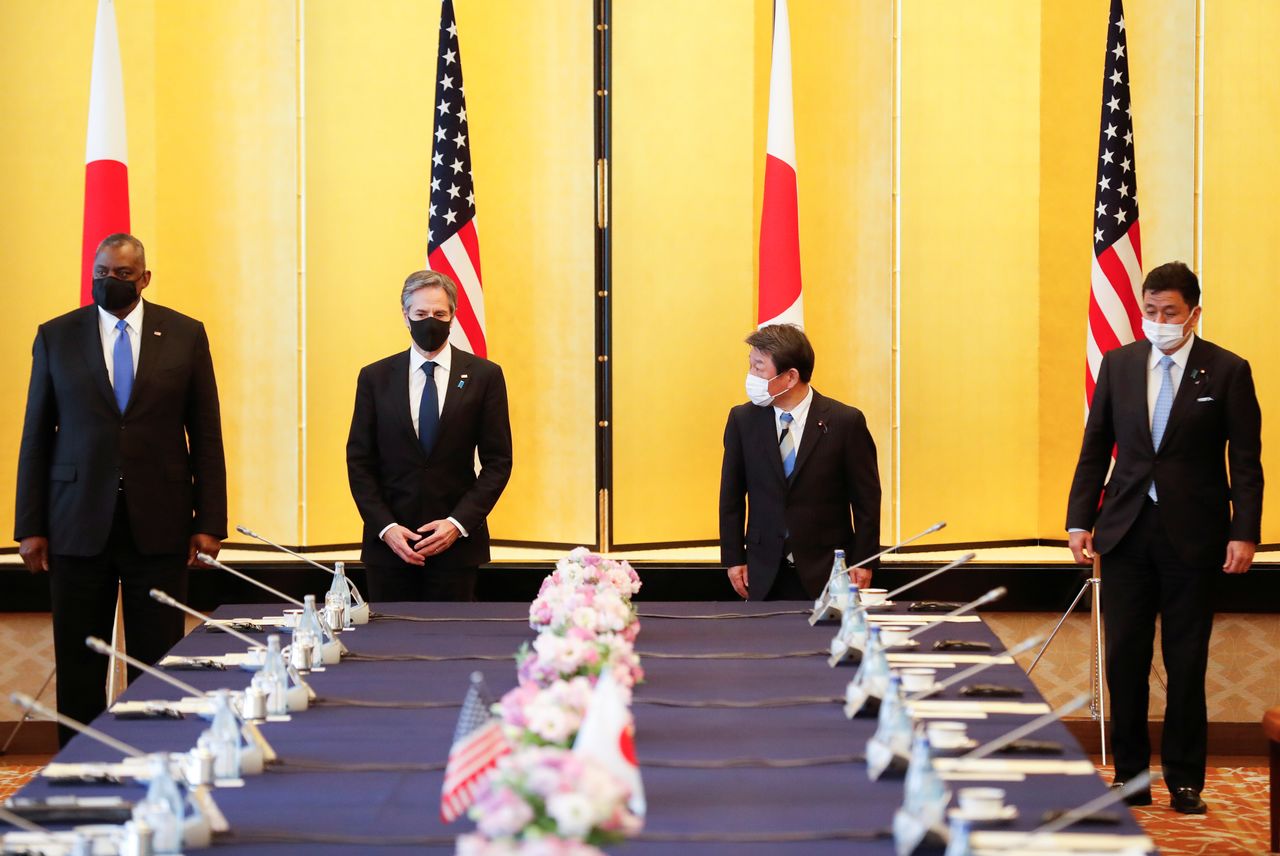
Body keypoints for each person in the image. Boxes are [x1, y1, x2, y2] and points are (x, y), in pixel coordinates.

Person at [1066, 261, 1263, 815]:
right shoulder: (1120, 364)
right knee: (1126, 659)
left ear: (1194, 313)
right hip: (1126, 533)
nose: (1157, 321)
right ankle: (1130, 775)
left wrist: (1244, 532)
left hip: (1195, 539)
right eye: (1149, 311)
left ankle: (1184, 780)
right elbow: (1095, 446)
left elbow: (1245, 463)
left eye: (1169, 312)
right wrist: (1080, 519)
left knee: (1186, 660)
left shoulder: (1226, 371)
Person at [15, 233, 227, 745]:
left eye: (122, 275)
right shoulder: (56, 335)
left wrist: (210, 521)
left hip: (160, 523)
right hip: (74, 523)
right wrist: (30, 526)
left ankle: (153, 757)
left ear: (145, 278)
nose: (109, 282)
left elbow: (205, 433)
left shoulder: (184, 334)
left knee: (155, 661)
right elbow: (36, 436)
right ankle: (81, 765)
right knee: (79, 658)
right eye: (102, 273)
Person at [346, 270, 512, 602]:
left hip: (457, 549)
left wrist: (457, 523)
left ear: (452, 317)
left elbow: (498, 463)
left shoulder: (484, 376)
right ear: (405, 316)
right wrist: (386, 528)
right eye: (421, 314)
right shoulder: (375, 377)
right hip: (389, 548)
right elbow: (359, 461)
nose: (430, 321)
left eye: (439, 314)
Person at [719, 324, 881, 600]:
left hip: (829, 569)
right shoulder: (742, 420)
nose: (751, 376)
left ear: (791, 377)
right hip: (762, 568)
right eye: (751, 366)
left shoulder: (845, 421)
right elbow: (731, 496)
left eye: (759, 368)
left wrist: (864, 560)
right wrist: (733, 558)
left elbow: (866, 499)